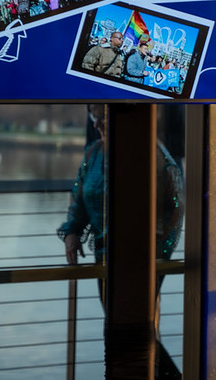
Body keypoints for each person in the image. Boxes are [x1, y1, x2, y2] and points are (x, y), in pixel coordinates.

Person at [57, 104, 185, 379]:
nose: (97, 126)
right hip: (104, 256)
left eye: (103, 119)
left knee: (132, 331)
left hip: (143, 260)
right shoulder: (93, 154)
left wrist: (155, 255)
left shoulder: (155, 155)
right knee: (119, 328)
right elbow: (78, 197)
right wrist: (71, 232)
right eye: (94, 119)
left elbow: (175, 207)